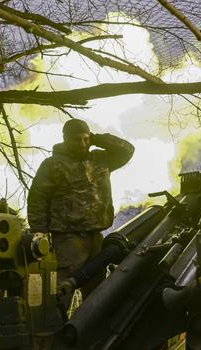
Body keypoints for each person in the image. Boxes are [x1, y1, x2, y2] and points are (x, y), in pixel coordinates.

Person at [27, 118, 134, 313]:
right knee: (60, 294)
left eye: (86, 139)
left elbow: (127, 149)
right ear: (66, 139)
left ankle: (88, 340)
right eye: (77, 139)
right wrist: (40, 233)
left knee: (96, 298)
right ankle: (53, 338)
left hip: (96, 238)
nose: (83, 144)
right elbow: (37, 200)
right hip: (67, 240)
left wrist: (97, 138)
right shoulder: (53, 165)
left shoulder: (101, 159)